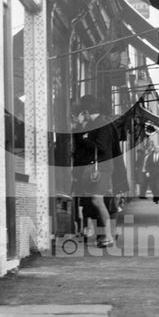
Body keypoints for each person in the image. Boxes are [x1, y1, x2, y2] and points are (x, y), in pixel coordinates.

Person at [71, 95, 117, 247]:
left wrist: (85, 138)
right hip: (97, 168)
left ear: (86, 111)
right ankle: (105, 234)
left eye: (82, 112)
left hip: (101, 168)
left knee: (97, 200)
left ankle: (109, 236)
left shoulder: (101, 124)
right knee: (95, 201)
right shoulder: (97, 123)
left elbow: (102, 147)